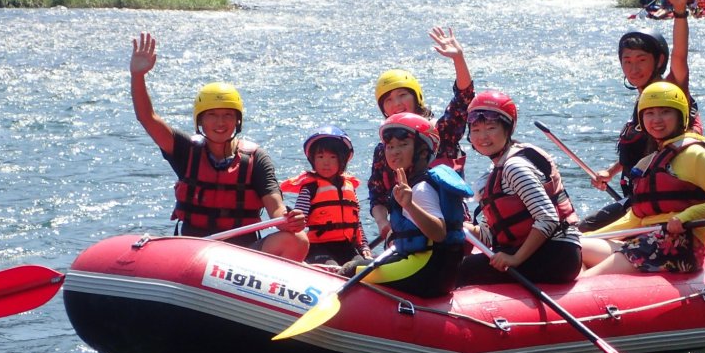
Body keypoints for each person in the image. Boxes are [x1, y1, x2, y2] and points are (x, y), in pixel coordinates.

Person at [129, 32, 308, 259]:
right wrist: (138, 75)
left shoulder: (256, 159)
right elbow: (147, 117)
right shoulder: (185, 150)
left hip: (242, 257)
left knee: (298, 239)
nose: (220, 123)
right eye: (212, 115)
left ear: (237, 120)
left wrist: (287, 220)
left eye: (227, 115)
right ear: (200, 121)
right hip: (194, 251)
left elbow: (276, 208)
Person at [580, 82, 705, 276]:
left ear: (680, 116)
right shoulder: (648, 162)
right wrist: (589, 235)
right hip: (644, 241)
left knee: (587, 280)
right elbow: (635, 218)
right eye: (649, 113)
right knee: (576, 246)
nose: (657, 120)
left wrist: (686, 216)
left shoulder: (695, 154)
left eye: (665, 112)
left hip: (679, 245)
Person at [581, 0, 701, 232]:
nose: (633, 68)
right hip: (637, 199)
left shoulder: (671, 91)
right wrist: (611, 172)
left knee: (585, 231)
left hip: (665, 207)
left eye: (641, 60)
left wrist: (680, 11)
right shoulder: (642, 103)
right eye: (627, 61)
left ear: (659, 61)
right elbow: (640, 150)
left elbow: (680, 56)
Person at [457, 91, 583, 286]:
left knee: (461, 271)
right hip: (540, 250)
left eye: (491, 128)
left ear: (508, 129)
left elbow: (548, 218)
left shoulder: (515, 168)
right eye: (476, 130)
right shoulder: (496, 171)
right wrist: (461, 228)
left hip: (557, 254)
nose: (483, 136)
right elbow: (491, 235)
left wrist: (515, 259)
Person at [345, 113, 473, 297]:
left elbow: (439, 233)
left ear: (423, 152)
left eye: (403, 145)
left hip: (423, 271)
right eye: (390, 146)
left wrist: (410, 205)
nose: (394, 151)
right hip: (435, 272)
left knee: (351, 270)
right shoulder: (416, 184)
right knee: (364, 262)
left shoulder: (420, 189)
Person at [368, 26, 474, 243]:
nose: (396, 104)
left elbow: (463, 100)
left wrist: (458, 59)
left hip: (450, 228)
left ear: (416, 97)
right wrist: (383, 224)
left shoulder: (439, 133)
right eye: (388, 100)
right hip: (409, 233)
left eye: (402, 95)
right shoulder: (384, 149)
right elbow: (377, 196)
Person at [280, 126, 371, 265]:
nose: (326, 162)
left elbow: (356, 223)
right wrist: (292, 218)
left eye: (332, 157)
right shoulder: (310, 188)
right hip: (317, 248)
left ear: (342, 160)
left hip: (347, 247)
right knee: (332, 268)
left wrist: (364, 246)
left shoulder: (349, 187)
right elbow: (299, 220)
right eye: (320, 156)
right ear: (313, 160)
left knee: (363, 266)